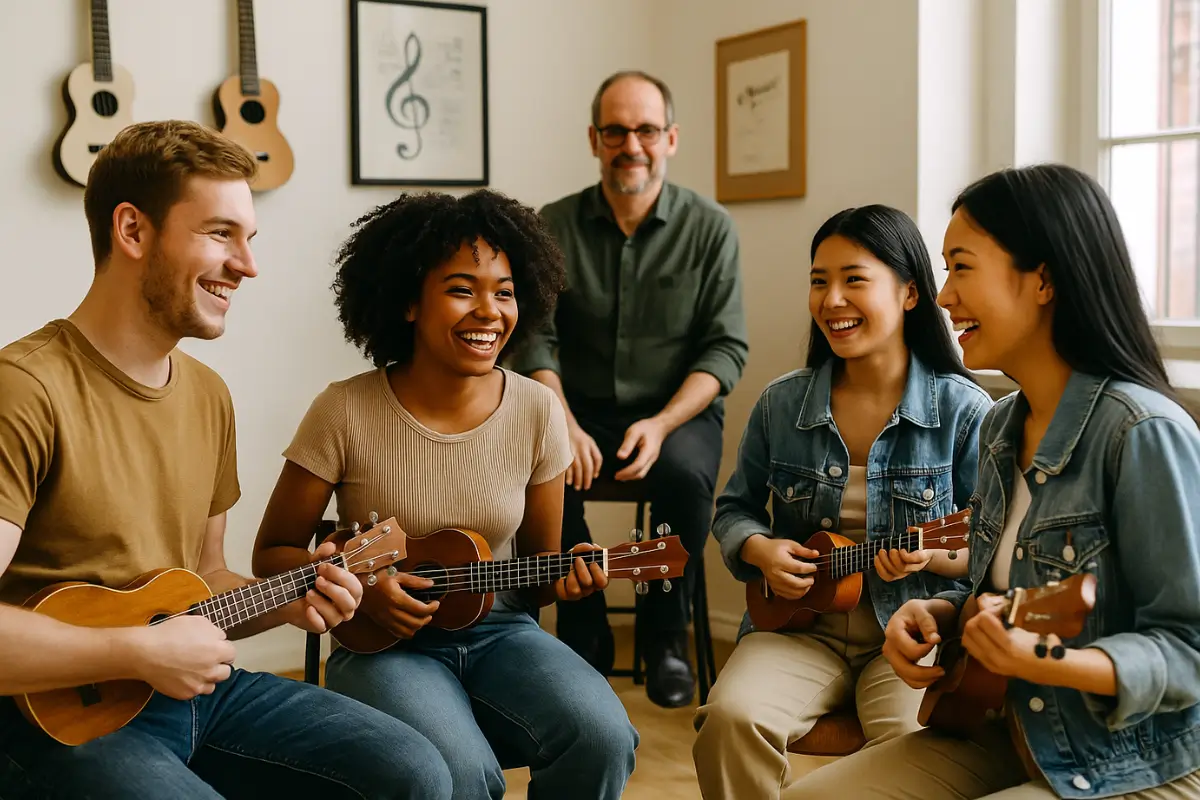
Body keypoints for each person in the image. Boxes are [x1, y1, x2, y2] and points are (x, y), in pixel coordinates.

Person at [0, 121, 452, 799]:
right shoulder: (25, 389)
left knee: (417, 772)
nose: (247, 264)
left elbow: (203, 578)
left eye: (249, 238)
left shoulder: (208, 396)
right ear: (133, 231)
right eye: (220, 233)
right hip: (57, 720)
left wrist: (292, 602)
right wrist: (136, 652)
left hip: (198, 695)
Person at [780, 164, 1200, 799]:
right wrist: (940, 617)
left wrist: (1047, 661)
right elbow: (1003, 595)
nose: (944, 296)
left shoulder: (1142, 434)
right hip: (1007, 728)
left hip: (1129, 761)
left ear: (1044, 280)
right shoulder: (1003, 424)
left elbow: (1189, 650)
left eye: (961, 266)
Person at [251, 189, 639, 800]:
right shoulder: (343, 410)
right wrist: (366, 590)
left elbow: (537, 575)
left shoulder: (538, 410)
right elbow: (271, 554)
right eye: (462, 289)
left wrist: (571, 576)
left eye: (505, 291)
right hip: (379, 647)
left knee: (604, 737)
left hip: (502, 631)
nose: (489, 311)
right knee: (461, 774)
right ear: (408, 301)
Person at [690, 204, 989, 798]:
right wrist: (761, 548)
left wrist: (927, 559)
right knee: (728, 718)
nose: (831, 300)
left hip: (911, 634)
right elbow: (733, 510)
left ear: (909, 293)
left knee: (910, 751)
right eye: (819, 281)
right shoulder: (781, 405)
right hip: (800, 633)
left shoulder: (966, 411)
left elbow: (987, 546)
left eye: (854, 279)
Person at [509, 69, 749, 708]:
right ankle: (583, 631)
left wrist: (664, 423)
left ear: (670, 139)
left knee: (681, 477)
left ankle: (664, 635)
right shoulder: (548, 225)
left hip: (676, 414)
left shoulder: (711, 228)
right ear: (594, 139)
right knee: (547, 471)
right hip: (574, 406)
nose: (631, 144)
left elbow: (725, 348)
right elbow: (534, 337)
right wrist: (560, 418)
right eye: (616, 131)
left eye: (645, 130)